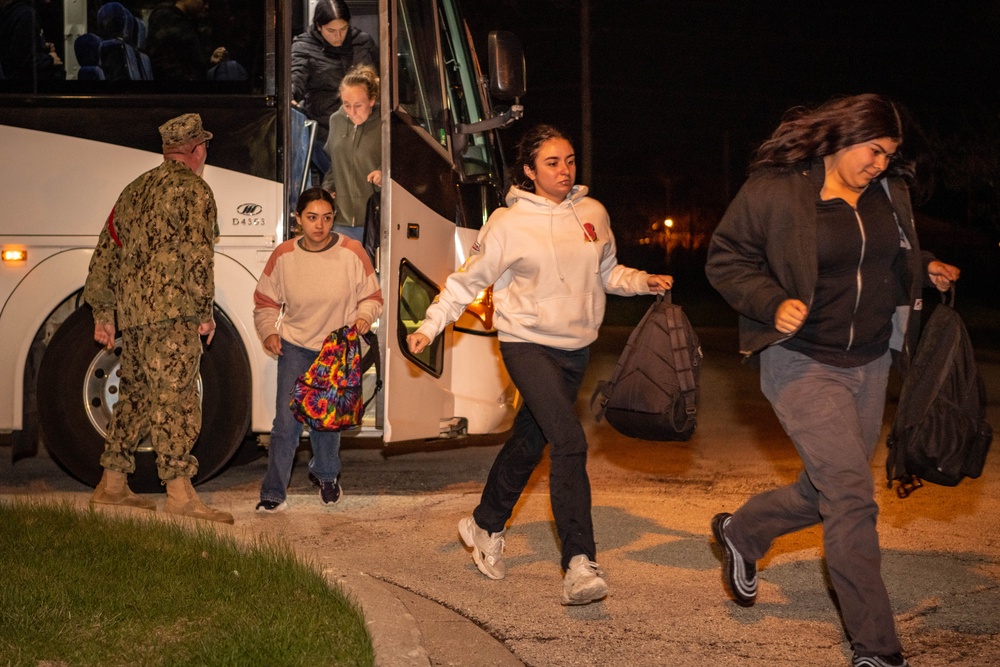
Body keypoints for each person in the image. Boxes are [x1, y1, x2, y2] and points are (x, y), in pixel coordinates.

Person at [705, 94, 961, 667]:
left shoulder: (889, 194)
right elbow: (725, 258)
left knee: (825, 488)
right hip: (801, 361)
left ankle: (743, 532)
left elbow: (888, 259)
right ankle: (876, 648)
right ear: (845, 136)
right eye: (874, 152)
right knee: (850, 497)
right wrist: (771, 302)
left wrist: (925, 268)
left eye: (889, 156)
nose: (880, 165)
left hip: (870, 362)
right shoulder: (776, 189)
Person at [406, 125, 673, 605]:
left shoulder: (593, 213)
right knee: (568, 441)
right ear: (529, 171)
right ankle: (578, 564)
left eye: (569, 160)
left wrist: (642, 281)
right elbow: (468, 282)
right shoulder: (508, 224)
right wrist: (431, 325)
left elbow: (608, 271)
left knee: (532, 439)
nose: (565, 170)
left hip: (575, 350)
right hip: (525, 344)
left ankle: (484, 523)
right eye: (552, 163)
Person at [84, 112, 233, 524]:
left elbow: (106, 252)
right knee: (178, 398)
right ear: (198, 150)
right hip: (174, 315)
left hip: (133, 318)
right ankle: (180, 493)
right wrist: (204, 313)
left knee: (135, 395)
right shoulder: (195, 191)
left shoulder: (133, 190)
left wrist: (104, 310)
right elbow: (198, 258)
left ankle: (112, 484)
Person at [252, 187, 383, 513]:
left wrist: (365, 316)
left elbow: (372, 297)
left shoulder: (352, 252)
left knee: (327, 422)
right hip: (295, 347)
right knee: (286, 423)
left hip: (335, 351)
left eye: (326, 218)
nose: (319, 225)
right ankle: (273, 493)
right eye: (312, 217)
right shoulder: (284, 255)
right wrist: (269, 331)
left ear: (333, 219)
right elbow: (265, 302)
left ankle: (326, 477)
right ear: (298, 219)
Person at [291, 0, 378, 176]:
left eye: (343, 29)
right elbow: (296, 76)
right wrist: (291, 94)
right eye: (331, 31)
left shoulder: (363, 42)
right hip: (326, 129)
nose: (338, 36)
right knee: (345, 175)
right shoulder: (303, 47)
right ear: (318, 26)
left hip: (365, 126)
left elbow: (382, 76)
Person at [322, 63, 380, 242]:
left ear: (372, 100)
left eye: (358, 105)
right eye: (346, 105)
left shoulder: (385, 125)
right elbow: (334, 164)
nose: (352, 112)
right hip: (341, 221)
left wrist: (384, 172)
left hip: (375, 223)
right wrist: (327, 189)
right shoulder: (336, 121)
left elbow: (400, 164)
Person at [147, 0, 225, 81]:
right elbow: (163, 63)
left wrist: (210, 61)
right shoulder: (166, 19)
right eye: (204, 1)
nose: (206, 7)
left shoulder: (189, 24)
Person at [0, 0, 65, 81]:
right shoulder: (26, 14)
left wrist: (40, 47)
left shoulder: (11, 10)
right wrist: (51, 60)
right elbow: (25, 60)